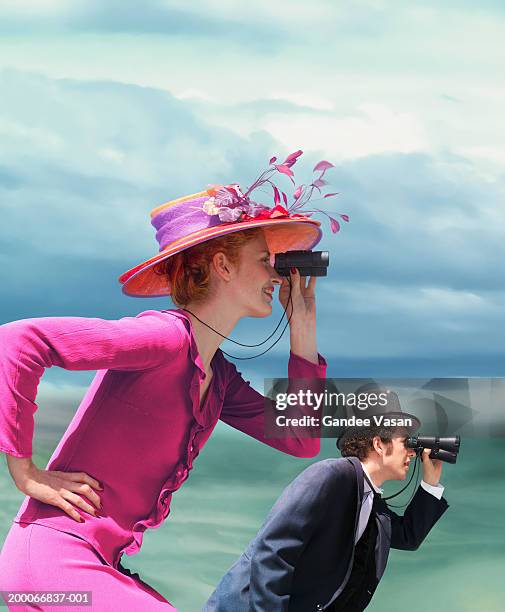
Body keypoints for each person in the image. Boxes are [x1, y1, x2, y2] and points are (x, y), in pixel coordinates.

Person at [0, 153, 335, 610]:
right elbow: (18, 341)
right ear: (222, 265)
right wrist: (25, 472)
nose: (276, 274)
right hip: (49, 567)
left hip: (90, 568)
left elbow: (301, 440)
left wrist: (303, 328)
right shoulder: (162, 338)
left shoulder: (220, 381)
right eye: (264, 260)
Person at [203, 397, 450, 612]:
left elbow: (407, 536)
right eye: (406, 442)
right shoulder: (331, 475)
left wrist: (430, 482)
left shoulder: (370, 502)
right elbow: (273, 551)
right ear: (378, 444)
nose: (412, 452)